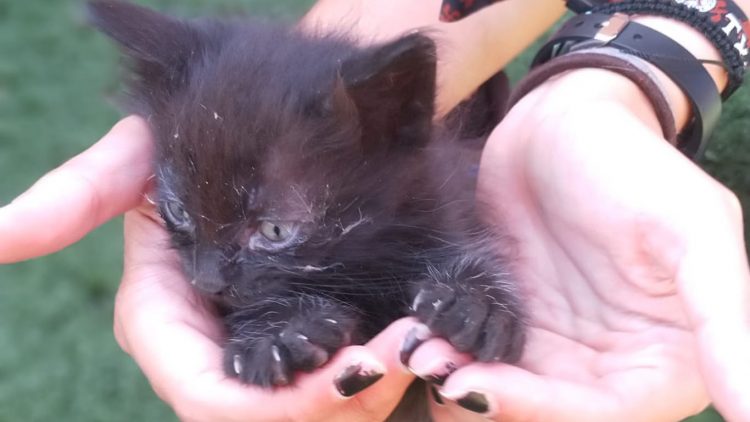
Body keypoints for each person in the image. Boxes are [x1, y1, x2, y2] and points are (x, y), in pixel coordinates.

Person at [1, 0, 749, 420]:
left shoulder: (396, 168)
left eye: (271, 231)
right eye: (182, 218)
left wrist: (479, 304)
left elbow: (456, 259)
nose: (204, 274)